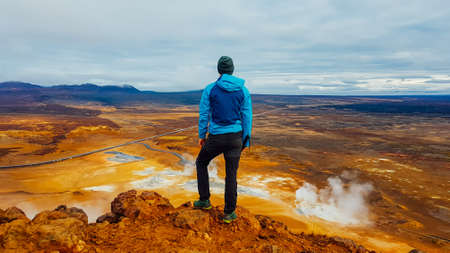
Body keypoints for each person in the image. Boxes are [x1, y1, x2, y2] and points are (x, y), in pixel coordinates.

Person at [194, 56, 252, 223]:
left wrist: (201, 135)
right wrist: (246, 140)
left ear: (219, 70)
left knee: (201, 162)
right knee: (231, 174)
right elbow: (247, 116)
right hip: (236, 138)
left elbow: (204, 114)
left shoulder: (210, 89)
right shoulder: (243, 90)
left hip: (216, 137)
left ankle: (204, 200)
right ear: (232, 70)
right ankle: (229, 213)